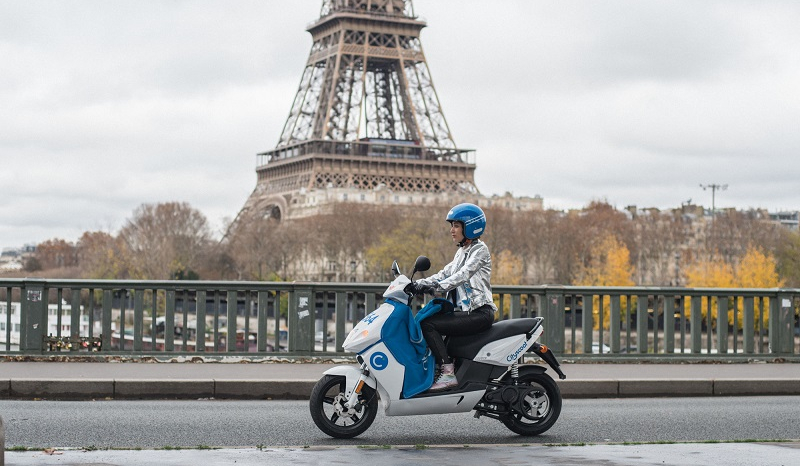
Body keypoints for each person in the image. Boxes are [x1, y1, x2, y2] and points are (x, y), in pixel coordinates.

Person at [406, 203, 497, 391]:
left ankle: (447, 373)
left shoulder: (480, 250)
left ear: (470, 227)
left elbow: (463, 275)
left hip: (479, 312)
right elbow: (444, 273)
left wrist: (435, 287)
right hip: (467, 312)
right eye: (451, 226)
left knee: (428, 324)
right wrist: (414, 284)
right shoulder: (461, 251)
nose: (451, 230)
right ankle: (438, 368)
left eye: (456, 225)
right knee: (429, 320)